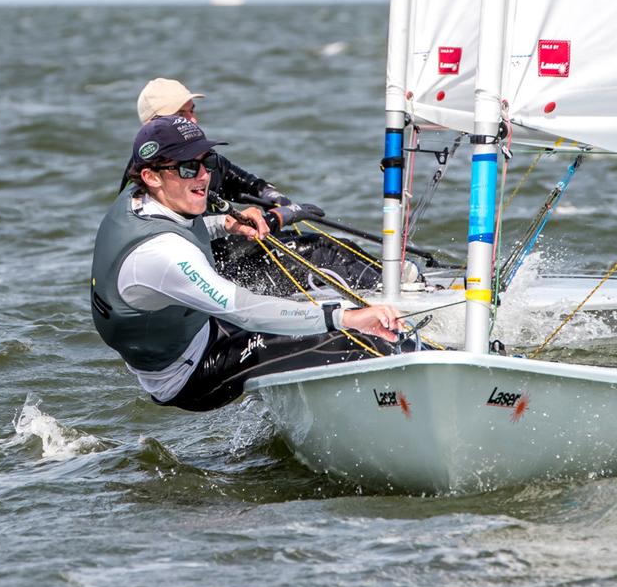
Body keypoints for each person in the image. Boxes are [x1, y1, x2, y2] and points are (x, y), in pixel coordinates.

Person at [91, 115, 406, 411]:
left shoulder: (139, 198)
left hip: (198, 326)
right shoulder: (162, 253)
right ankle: (404, 399)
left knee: (313, 301)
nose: (203, 176)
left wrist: (225, 223)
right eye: (187, 168)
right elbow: (244, 310)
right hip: (190, 373)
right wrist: (347, 318)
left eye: (207, 162)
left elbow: (181, 229)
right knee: (344, 333)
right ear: (151, 177)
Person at [124, 77, 396, 295]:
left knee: (332, 244)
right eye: (181, 115)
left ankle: (394, 283)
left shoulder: (206, 160)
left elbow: (245, 182)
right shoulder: (151, 179)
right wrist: (277, 219)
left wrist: (276, 199)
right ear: (152, 125)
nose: (192, 121)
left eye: (192, 112)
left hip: (236, 255)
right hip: (212, 280)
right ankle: (389, 302)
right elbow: (182, 233)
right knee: (319, 251)